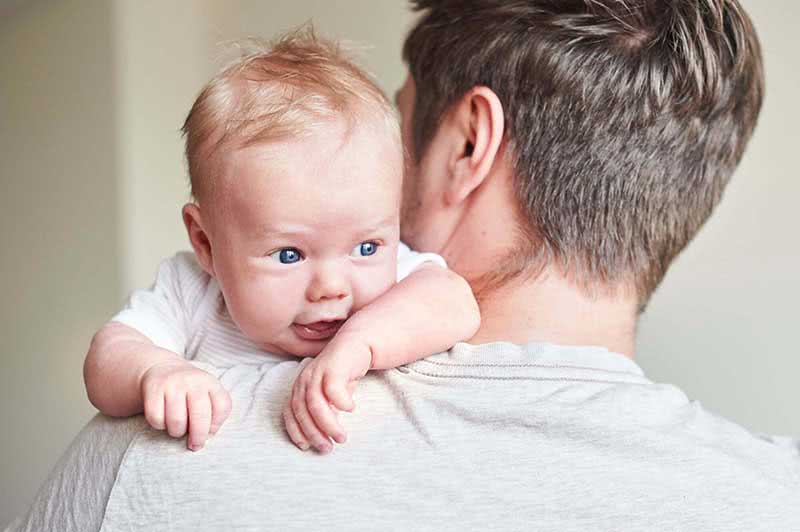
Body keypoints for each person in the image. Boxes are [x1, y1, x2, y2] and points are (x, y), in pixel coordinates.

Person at [8, 1, 800, 531]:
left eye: (399, 116)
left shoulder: (156, 456)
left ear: (465, 145)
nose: (329, 279)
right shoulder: (780, 498)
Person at [82, 30, 480, 454]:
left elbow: (455, 302)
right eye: (289, 255)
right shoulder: (190, 291)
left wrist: (362, 342)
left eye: (366, 248)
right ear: (206, 244)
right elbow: (105, 360)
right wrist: (156, 370)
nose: (332, 286)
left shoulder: (391, 285)